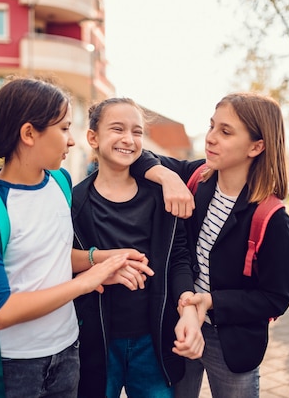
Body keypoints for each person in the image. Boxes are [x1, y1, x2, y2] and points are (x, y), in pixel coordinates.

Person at [0, 78, 131, 398]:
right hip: (9, 367)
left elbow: (47, 255)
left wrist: (101, 259)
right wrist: (86, 281)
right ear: (29, 133)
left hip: (67, 353)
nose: (71, 141)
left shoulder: (60, 181)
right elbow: (0, 312)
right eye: (64, 128)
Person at [131, 93, 289, 398]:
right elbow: (138, 155)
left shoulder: (271, 218)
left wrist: (211, 302)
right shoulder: (196, 177)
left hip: (233, 342)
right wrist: (167, 177)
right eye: (211, 126)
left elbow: (276, 298)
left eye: (226, 131)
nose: (211, 138)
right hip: (181, 324)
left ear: (256, 146)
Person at [71, 98, 205, 398]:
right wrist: (101, 268)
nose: (128, 139)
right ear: (93, 137)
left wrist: (186, 301)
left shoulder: (162, 197)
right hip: (96, 343)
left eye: (137, 131)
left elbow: (179, 257)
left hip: (153, 341)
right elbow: (63, 265)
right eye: (117, 129)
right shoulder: (75, 203)